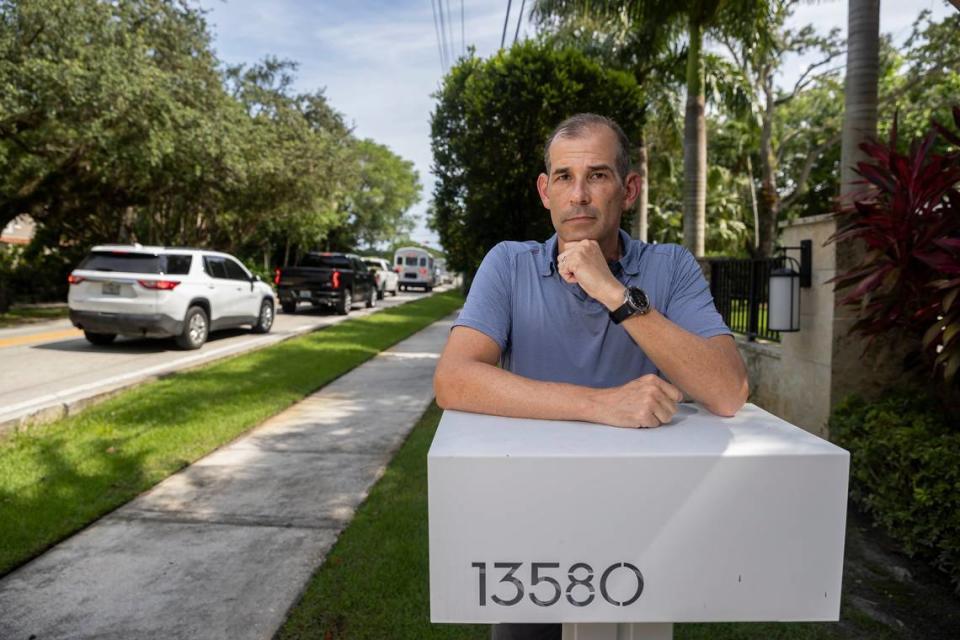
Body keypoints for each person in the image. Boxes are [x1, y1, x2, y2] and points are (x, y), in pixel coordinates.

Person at [433, 113, 748, 640]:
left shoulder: (670, 266)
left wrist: (614, 293)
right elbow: (453, 380)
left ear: (629, 189)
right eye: (563, 177)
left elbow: (727, 391)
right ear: (544, 191)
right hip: (531, 518)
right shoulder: (509, 264)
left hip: (644, 518)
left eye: (597, 176)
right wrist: (600, 405)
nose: (578, 195)